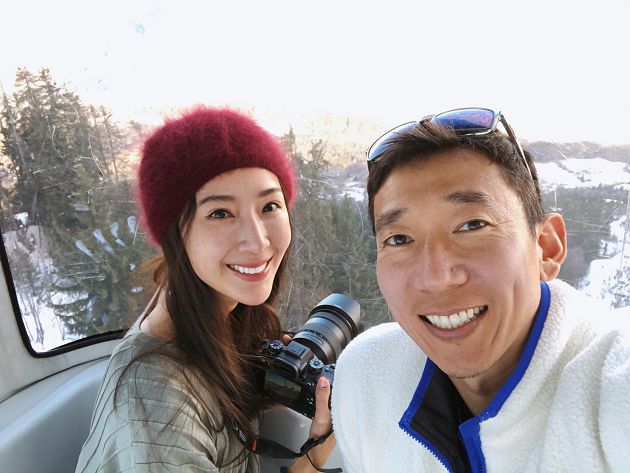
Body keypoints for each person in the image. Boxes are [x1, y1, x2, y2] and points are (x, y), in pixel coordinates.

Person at [330, 108, 630, 472]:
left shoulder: (611, 389)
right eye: (399, 239)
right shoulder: (366, 378)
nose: (435, 276)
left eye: (472, 225)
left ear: (546, 248)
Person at [76, 107, 334, 473]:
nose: (258, 241)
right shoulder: (158, 408)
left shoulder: (214, 317)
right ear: (175, 235)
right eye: (220, 213)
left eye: (269, 206)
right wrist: (317, 452)